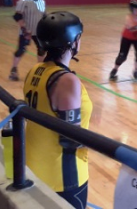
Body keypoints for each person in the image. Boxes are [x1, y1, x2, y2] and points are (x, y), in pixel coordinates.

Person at [24, 11, 92, 209]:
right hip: (63, 176)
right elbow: (71, 139)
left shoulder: (35, 70)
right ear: (75, 41)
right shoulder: (66, 81)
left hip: (34, 165)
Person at [9, 0, 46, 81]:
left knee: (42, 49)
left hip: (38, 30)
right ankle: (13, 70)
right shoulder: (23, 1)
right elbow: (17, 16)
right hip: (27, 31)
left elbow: (43, 15)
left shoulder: (42, 1)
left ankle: (40, 70)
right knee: (21, 50)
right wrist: (25, 30)